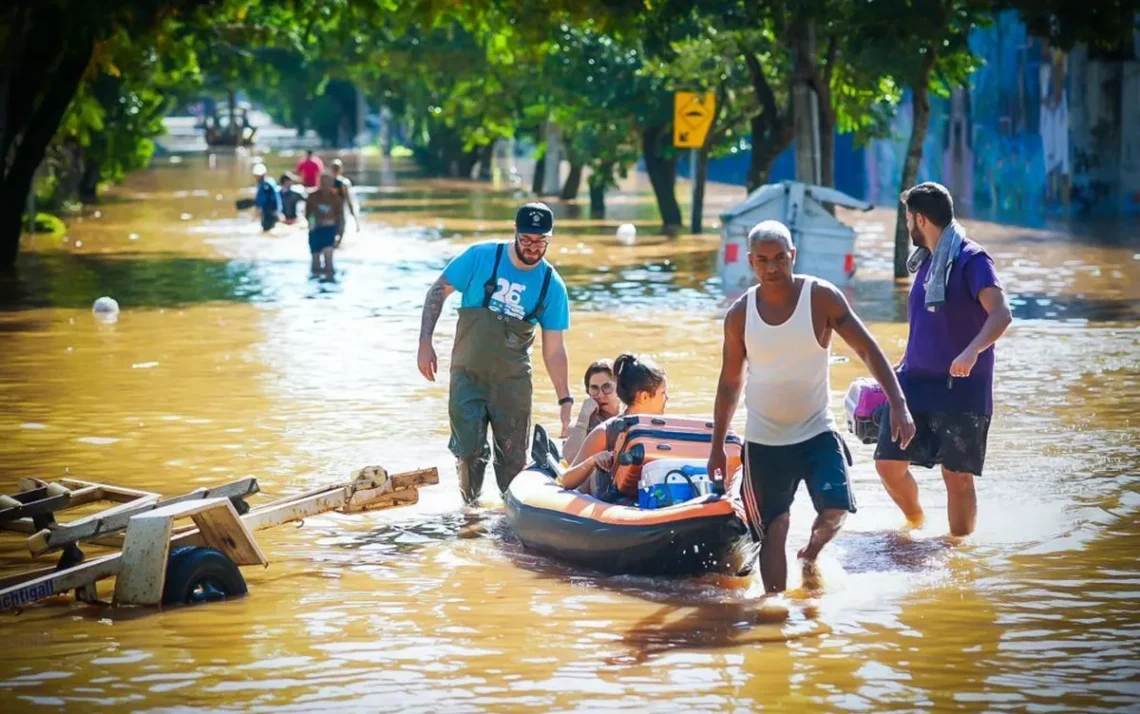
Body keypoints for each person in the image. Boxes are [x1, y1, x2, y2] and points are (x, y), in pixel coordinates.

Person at [708, 220, 916, 593]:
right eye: (763, 261)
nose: (773, 268)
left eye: (780, 259)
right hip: (764, 441)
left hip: (817, 431)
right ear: (751, 263)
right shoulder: (740, 315)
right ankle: (774, 610)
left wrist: (899, 403)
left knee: (836, 509)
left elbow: (867, 349)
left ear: (793, 256)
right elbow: (729, 384)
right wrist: (717, 447)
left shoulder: (820, 298)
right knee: (775, 527)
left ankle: (811, 555)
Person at [875, 182, 1012, 537]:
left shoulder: (972, 258)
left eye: (908, 219)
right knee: (889, 464)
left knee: (957, 476)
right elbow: (927, 325)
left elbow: (1001, 315)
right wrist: (899, 366)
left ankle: (957, 553)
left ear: (920, 219)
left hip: (962, 386)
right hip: (916, 383)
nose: (907, 227)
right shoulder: (926, 262)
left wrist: (972, 351)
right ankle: (917, 521)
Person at [417, 202, 573, 505]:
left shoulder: (551, 285)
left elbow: (554, 350)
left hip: (512, 383)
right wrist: (425, 341)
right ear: (514, 231)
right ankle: (470, 514)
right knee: (468, 452)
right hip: (467, 375)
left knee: (513, 460)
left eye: (541, 241)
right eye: (526, 239)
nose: (533, 247)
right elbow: (438, 291)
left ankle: (508, 520)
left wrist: (564, 399)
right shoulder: (481, 257)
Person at [558, 354, 668, 496]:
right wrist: (593, 461)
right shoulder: (605, 432)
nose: (667, 398)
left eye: (607, 387)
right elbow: (566, 481)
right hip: (609, 505)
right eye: (663, 393)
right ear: (644, 397)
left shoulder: (664, 427)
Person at [562, 359, 621, 463]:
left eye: (607, 387)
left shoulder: (633, 415)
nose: (601, 395)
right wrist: (583, 418)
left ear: (620, 388)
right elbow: (570, 459)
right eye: (594, 388)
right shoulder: (581, 423)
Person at [305, 174, 343, 274]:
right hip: (315, 231)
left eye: (328, 182)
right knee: (315, 263)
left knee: (328, 262)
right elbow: (308, 214)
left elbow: (340, 218)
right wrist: (311, 223)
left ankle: (330, 284)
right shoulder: (312, 196)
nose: (326, 185)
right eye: (323, 182)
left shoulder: (335, 198)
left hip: (329, 230)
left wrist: (340, 235)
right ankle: (315, 284)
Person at [330, 158, 360, 239]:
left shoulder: (326, 182)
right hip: (340, 213)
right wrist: (356, 221)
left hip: (329, 214)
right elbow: (349, 201)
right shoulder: (344, 183)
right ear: (341, 169)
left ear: (331, 170)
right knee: (339, 237)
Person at [252, 163, 281, 232]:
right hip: (272, 212)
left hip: (268, 213)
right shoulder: (270, 181)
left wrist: (257, 211)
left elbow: (262, 200)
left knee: (267, 230)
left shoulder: (265, 185)